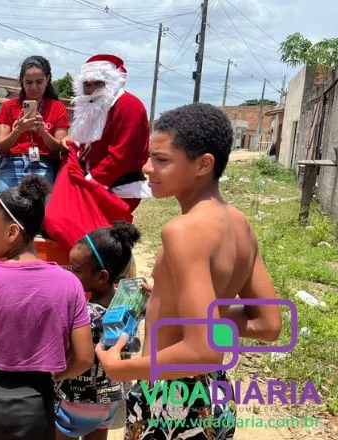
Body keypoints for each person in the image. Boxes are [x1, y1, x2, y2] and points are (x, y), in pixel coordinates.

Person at [94, 104, 283, 440]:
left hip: (173, 399)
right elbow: (268, 325)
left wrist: (119, 367)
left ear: (203, 164)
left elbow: (201, 351)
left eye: (162, 159)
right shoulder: (240, 225)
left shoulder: (183, 231)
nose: (147, 167)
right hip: (213, 395)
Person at [0, 175, 95, 440]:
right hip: (35, 404)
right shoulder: (70, 283)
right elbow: (83, 358)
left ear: (12, 232)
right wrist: (52, 378)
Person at [55, 221, 141, 440]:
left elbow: (74, 356)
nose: (69, 272)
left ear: (102, 277)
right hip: (108, 403)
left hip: (74, 400)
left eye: (75, 269)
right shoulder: (128, 303)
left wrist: (56, 377)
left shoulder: (85, 314)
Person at [68, 54, 150, 211]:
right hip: (92, 180)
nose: (91, 90)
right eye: (86, 84)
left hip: (119, 186)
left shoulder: (128, 105)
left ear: (111, 82)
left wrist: (90, 183)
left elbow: (122, 155)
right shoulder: (93, 106)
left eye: (98, 83)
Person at [0, 56, 70, 191]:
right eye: (29, 82)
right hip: (11, 164)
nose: (34, 87)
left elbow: (59, 148)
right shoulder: (8, 107)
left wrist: (43, 131)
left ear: (47, 80)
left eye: (39, 82)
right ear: (22, 82)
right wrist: (18, 130)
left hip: (42, 164)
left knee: (43, 210)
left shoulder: (58, 108)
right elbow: (1, 148)